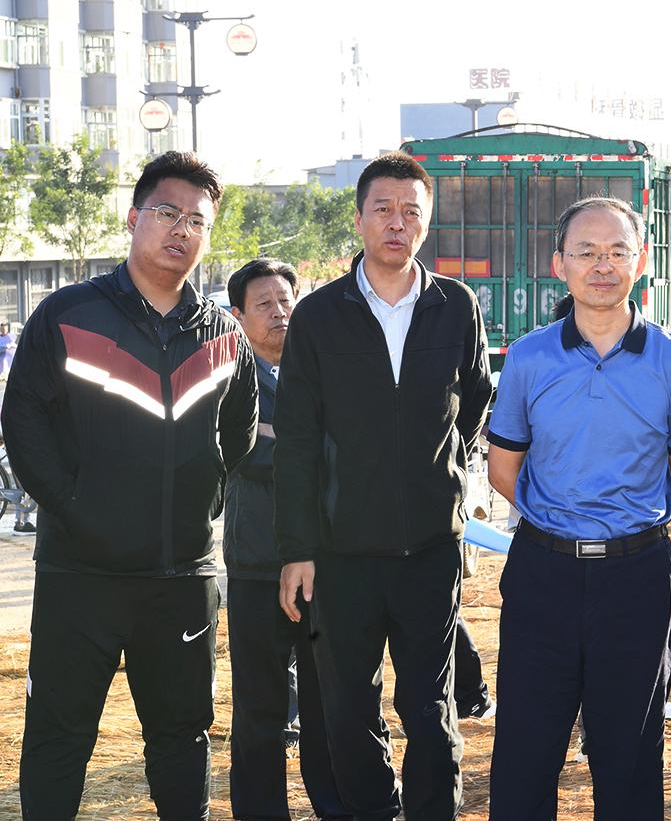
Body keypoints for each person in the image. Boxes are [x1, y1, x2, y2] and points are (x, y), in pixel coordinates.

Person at [2, 151, 258, 818]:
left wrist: (198, 504)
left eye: (197, 221)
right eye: (168, 212)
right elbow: (22, 419)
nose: (182, 230)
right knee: (58, 737)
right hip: (80, 573)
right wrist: (71, 505)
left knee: (183, 737)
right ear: (132, 217)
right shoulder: (68, 315)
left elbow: (237, 434)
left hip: (182, 578)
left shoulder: (225, 336)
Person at [273, 151, 493, 820]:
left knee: (429, 708)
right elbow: (298, 440)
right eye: (384, 210)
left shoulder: (456, 306)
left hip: (431, 549)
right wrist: (297, 548)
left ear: (427, 220)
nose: (398, 223)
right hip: (341, 552)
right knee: (348, 711)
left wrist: (437, 477)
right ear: (360, 218)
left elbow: (473, 403)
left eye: (411, 212)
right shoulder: (319, 315)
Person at [485, 196, 671, 821]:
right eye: (586, 252)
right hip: (542, 572)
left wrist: (624, 523)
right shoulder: (529, 356)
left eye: (617, 251)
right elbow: (503, 468)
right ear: (559, 264)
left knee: (630, 750)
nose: (602, 265)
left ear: (641, 261)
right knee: (527, 747)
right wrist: (561, 520)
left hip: (636, 576)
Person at [223, 258, 348, 820]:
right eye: (264, 304)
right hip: (257, 562)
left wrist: (293, 443)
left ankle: (335, 805)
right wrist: (308, 447)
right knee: (260, 707)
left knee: (328, 700)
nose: (279, 313)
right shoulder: (230, 379)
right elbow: (240, 450)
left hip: (325, 561)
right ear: (238, 316)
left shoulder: (323, 369)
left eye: (285, 300)